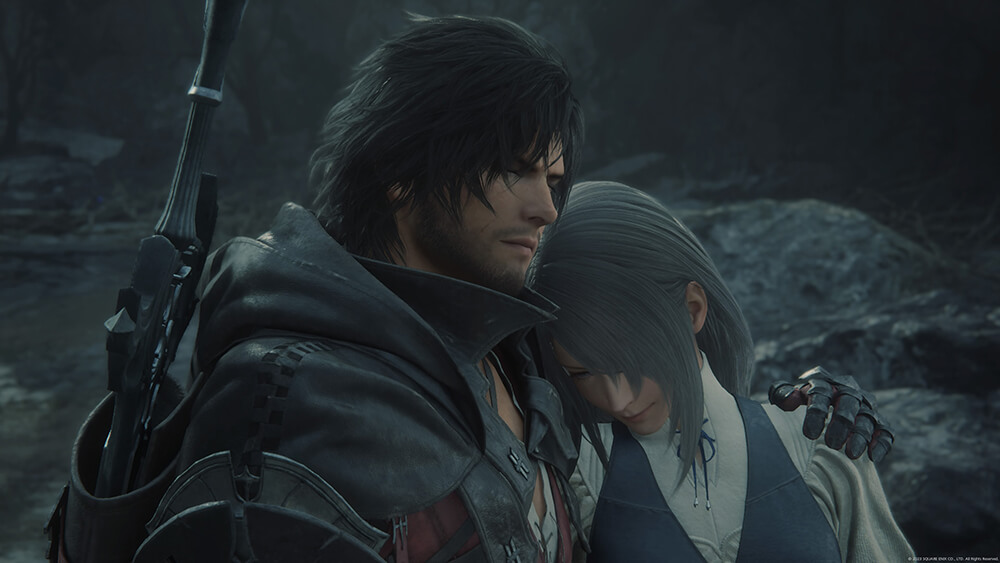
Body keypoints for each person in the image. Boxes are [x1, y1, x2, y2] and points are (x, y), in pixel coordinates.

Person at [56, 15, 584, 563]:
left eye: (552, 180)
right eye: (514, 170)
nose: (546, 209)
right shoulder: (286, 396)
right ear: (402, 171)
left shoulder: (509, 346)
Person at [528, 181, 914, 562]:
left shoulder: (820, 446)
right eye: (582, 373)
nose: (618, 400)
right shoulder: (580, 477)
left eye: (631, 360)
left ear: (692, 309)